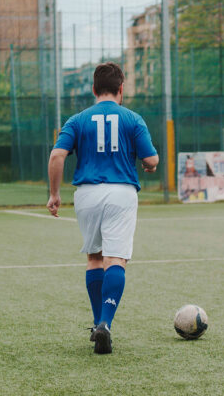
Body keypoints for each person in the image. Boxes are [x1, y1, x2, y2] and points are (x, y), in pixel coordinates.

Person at [47, 62, 159, 355]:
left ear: (94, 89)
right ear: (121, 89)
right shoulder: (133, 119)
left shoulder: (77, 119)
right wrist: (147, 164)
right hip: (121, 192)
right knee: (116, 259)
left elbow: (57, 156)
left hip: (86, 194)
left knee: (95, 259)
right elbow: (152, 160)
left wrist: (55, 194)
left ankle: (98, 322)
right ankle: (106, 323)